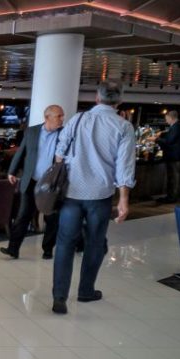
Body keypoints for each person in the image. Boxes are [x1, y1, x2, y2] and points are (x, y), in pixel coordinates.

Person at [51, 81, 136, 315]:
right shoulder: (123, 126)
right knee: (95, 244)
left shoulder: (77, 119)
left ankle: (60, 296)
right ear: (119, 102)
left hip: (72, 193)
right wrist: (123, 200)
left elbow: (59, 153)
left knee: (65, 243)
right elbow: (124, 167)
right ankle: (86, 291)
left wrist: (69, 167)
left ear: (96, 98)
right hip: (100, 195)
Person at [0, 105, 64, 260]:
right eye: (59, 116)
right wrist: (12, 171)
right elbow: (21, 152)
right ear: (47, 117)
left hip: (51, 184)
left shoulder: (65, 134)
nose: (62, 119)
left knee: (51, 218)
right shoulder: (32, 131)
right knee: (22, 216)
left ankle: (47, 249)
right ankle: (13, 249)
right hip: (31, 180)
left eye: (62, 116)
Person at [155, 110, 180, 202]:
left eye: (166, 118)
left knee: (174, 178)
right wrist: (162, 134)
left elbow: (169, 141)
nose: (166, 120)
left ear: (171, 118)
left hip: (174, 157)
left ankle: (172, 197)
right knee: (173, 177)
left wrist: (156, 139)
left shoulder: (176, 127)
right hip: (175, 157)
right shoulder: (176, 126)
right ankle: (171, 196)